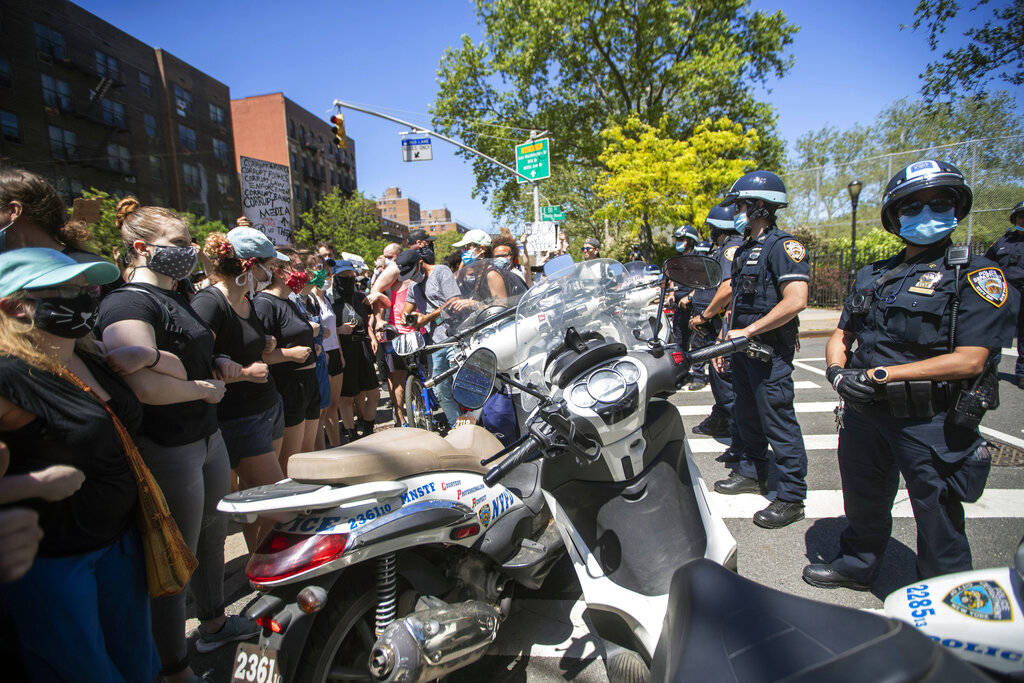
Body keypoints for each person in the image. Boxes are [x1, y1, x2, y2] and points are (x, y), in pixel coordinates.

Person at [804, 160, 1018, 590]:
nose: (925, 214)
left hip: (929, 419)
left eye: (937, 203)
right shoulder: (874, 275)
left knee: (937, 514)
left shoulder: (975, 275)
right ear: (894, 216)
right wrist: (835, 371)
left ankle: (947, 599)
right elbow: (841, 334)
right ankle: (858, 565)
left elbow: (971, 359)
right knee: (863, 498)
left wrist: (883, 374)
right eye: (912, 206)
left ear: (956, 208)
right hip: (864, 411)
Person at [94, 199, 256, 679]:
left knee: (211, 538)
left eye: (188, 242)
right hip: (169, 447)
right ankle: (173, 664)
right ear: (141, 248)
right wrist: (200, 389)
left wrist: (218, 366)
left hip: (206, 438)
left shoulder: (178, 295)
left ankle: (213, 624)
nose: (188, 251)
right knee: (173, 558)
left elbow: (186, 356)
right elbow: (141, 383)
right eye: (178, 243)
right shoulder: (127, 302)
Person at [0, 248, 160, 680]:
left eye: (86, 287)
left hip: (118, 542)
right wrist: (33, 483)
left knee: (139, 665)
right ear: (17, 306)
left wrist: (150, 357)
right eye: (66, 290)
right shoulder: (7, 374)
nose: (85, 297)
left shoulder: (87, 354)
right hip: (53, 561)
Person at [711, 170, 810, 530]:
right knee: (747, 415)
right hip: (741, 349)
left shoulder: (784, 247)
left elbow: (796, 300)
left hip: (769, 351)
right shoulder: (746, 249)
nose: (737, 211)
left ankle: (791, 496)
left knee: (779, 422)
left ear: (758, 206)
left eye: (740, 204)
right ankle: (753, 471)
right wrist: (726, 338)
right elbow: (737, 301)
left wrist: (749, 331)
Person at [191, 231, 283, 551]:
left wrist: (265, 343)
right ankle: (268, 569)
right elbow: (195, 368)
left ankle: (258, 565)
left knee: (260, 501)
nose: (269, 274)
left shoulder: (246, 300)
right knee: (278, 503)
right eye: (267, 266)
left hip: (267, 407)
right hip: (239, 418)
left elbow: (243, 344)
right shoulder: (208, 303)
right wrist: (244, 374)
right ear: (249, 266)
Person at [253, 251, 319, 470]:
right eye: (298, 267)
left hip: (309, 381)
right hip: (289, 385)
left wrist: (313, 347)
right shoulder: (264, 303)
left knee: (307, 454)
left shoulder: (289, 301)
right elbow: (258, 354)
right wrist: (289, 355)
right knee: (291, 460)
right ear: (279, 271)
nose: (304, 273)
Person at [688, 204, 744, 439]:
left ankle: (735, 430)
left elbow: (727, 288)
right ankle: (723, 419)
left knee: (724, 375)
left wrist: (705, 315)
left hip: (724, 322)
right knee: (720, 375)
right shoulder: (725, 248)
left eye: (711, 227)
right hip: (720, 322)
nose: (709, 232)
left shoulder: (731, 250)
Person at [399, 249, 462, 426]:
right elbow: (407, 308)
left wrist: (428, 317)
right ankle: (455, 425)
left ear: (420, 263)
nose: (412, 278)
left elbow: (454, 301)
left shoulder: (441, 272)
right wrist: (406, 317)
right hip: (434, 343)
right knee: (441, 389)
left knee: (460, 383)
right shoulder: (413, 286)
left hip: (455, 335)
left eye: (412, 273)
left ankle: (474, 423)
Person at [332, 260, 380, 441]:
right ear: (336, 278)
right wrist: (339, 331)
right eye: (344, 277)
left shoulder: (360, 297)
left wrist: (373, 335)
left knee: (374, 393)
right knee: (346, 398)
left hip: (362, 347)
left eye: (352, 276)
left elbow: (379, 306)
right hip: (344, 350)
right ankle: (352, 434)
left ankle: (368, 430)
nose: (349, 280)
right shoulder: (330, 300)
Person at [985, 200, 1024, 388]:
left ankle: (1022, 374)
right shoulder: (1003, 241)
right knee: (995, 333)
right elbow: (987, 263)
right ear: (1015, 218)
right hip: (1005, 293)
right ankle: (989, 371)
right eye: (1021, 216)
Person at [670, 226, 699, 387]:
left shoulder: (698, 259)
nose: (679, 243)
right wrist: (671, 294)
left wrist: (689, 297)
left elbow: (703, 284)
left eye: (682, 240)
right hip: (679, 307)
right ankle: (683, 373)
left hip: (693, 305)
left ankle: (699, 376)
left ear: (690, 240)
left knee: (696, 341)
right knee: (679, 341)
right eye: (678, 240)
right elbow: (672, 279)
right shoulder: (677, 260)